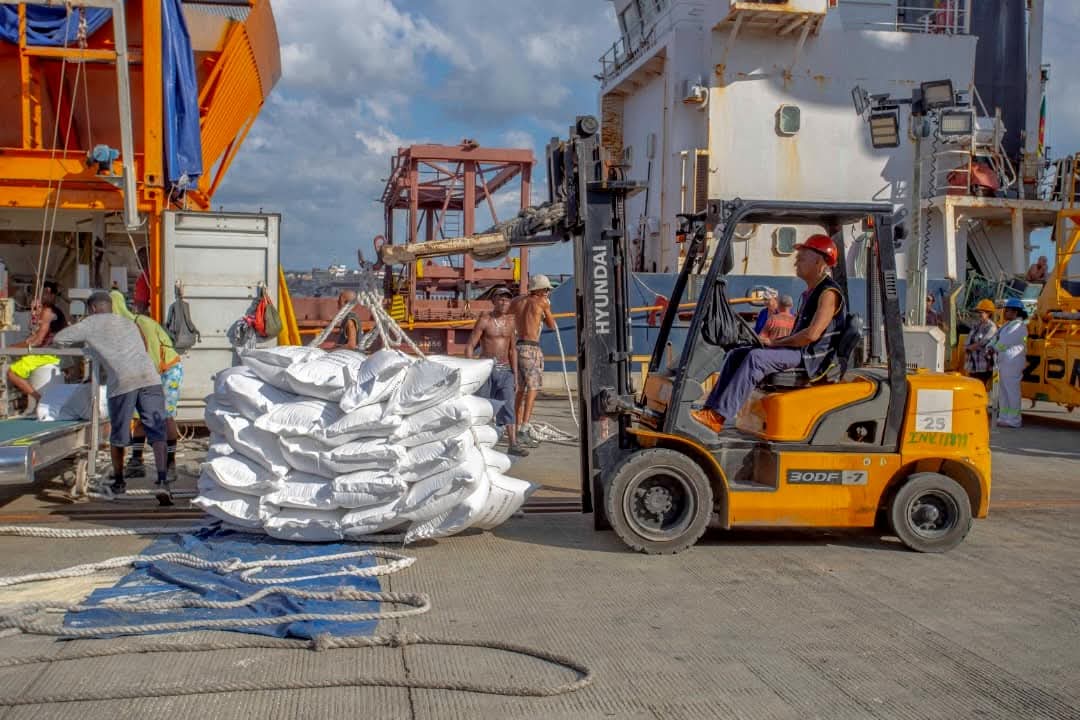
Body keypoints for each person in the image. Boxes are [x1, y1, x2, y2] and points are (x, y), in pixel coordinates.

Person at [691, 234, 844, 434]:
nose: (796, 261)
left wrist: (775, 342)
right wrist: (772, 342)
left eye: (802, 257)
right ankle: (710, 411)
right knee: (737, 354)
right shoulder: (812, 291)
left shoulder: (828, 293)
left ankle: (720, 415)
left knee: (756, 358)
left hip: (810, 359)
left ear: (819, 261)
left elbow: (811, 335)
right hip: (799, 352)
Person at [54, 291, 172, 504]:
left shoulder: (90, 324)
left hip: (122, 383)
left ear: (92, 309)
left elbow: (59, 339)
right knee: (157, 431)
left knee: (119, 435)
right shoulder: (128, 322)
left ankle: (119, 482)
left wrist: (88, 346)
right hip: (150, 378)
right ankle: (163, 481)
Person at [111, 290, 183, 482]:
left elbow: (151, 355)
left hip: (167, 370)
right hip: (148, 372)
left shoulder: (141, 324)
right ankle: (136, 461)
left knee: (165, 415)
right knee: (140, 414)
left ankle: (170, 464)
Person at [467, 286, 528, 456]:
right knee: (483, 406)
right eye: (501, 299)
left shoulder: (511, 321)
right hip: (486, 369)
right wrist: (472, 369)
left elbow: (512, 350)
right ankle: (476, 442)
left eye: (507, 299)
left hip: (505, 370)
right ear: (493, 301)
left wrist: (515, 376)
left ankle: (513, 443)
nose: (504, 302)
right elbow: (471, 345)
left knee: (508, 406)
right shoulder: (485, 320)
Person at [510, 274, 557, 445]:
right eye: (546, 290)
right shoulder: (541, 302)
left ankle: (515, 426)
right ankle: (524, 427)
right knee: (533, 388)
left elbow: (508, 318)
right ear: (540, 290)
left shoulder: (516, 302)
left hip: (517, 346)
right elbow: (552, 325)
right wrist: (547, 310)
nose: (547, 293)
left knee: (520, 389)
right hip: (532, 348)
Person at [6, 281, 67, 408]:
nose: (37, 297)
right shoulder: (57, 312)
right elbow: (35, 336)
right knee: (18, 363)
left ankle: (40, 400)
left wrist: (9, 348)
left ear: (48, 292)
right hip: (52, 353)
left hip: (46, 354)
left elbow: (37, 340)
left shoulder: (48, 312)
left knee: (12, 373)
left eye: (40, 294)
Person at [991, 297, 1028, 429]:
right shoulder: (1008, 325)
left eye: (1007, 310)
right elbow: (995, 338)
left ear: (1015, 312)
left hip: (1012, 363)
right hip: (1004, 362)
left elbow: (1003, 342)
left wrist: (993, 347)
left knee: (1011, 391)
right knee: (1003, 391)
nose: (1005, 313)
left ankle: (1014, 419)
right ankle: (1005, 417)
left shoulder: (1018, 327)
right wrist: (991, 345)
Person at [963, 299, 997, 390]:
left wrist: (970, 348)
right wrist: (967, 347)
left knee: (980, 389)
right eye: (978, 312)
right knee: (972, 389)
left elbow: (983, 342)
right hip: (972, 365)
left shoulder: (992, 327)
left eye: (981, 312)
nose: (979, 314)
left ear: (988, 313)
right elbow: (968, 341)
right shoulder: (976, 325)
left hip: (983, 366)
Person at [133, 247, 152, 311]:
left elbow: (140, 307)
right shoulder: (147, 274)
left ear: (145, 258)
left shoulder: (145, 278)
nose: (136, 260)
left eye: (138, 257)